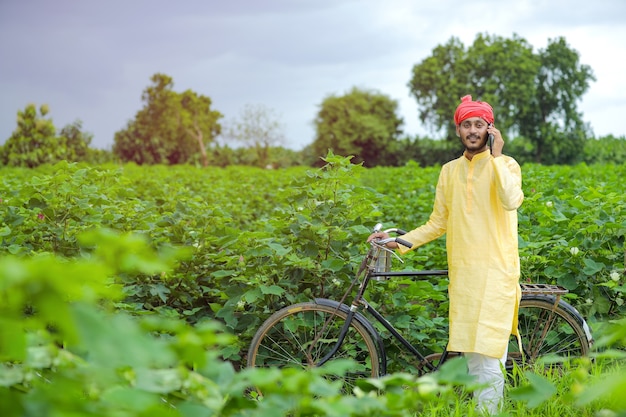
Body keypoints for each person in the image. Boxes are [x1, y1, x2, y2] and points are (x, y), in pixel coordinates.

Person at [368, 95, 524, 415]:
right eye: (466, 124)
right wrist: (399, 242)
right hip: (464, 277)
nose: (472, 130)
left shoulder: (506, 165)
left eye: (479, 125)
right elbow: (438, 222)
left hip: (496, 274)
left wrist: (496, 155)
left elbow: (510, 200)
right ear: (458, 130)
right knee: (472, 359)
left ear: (490, 129)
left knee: (489, 358)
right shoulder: (449, 171)